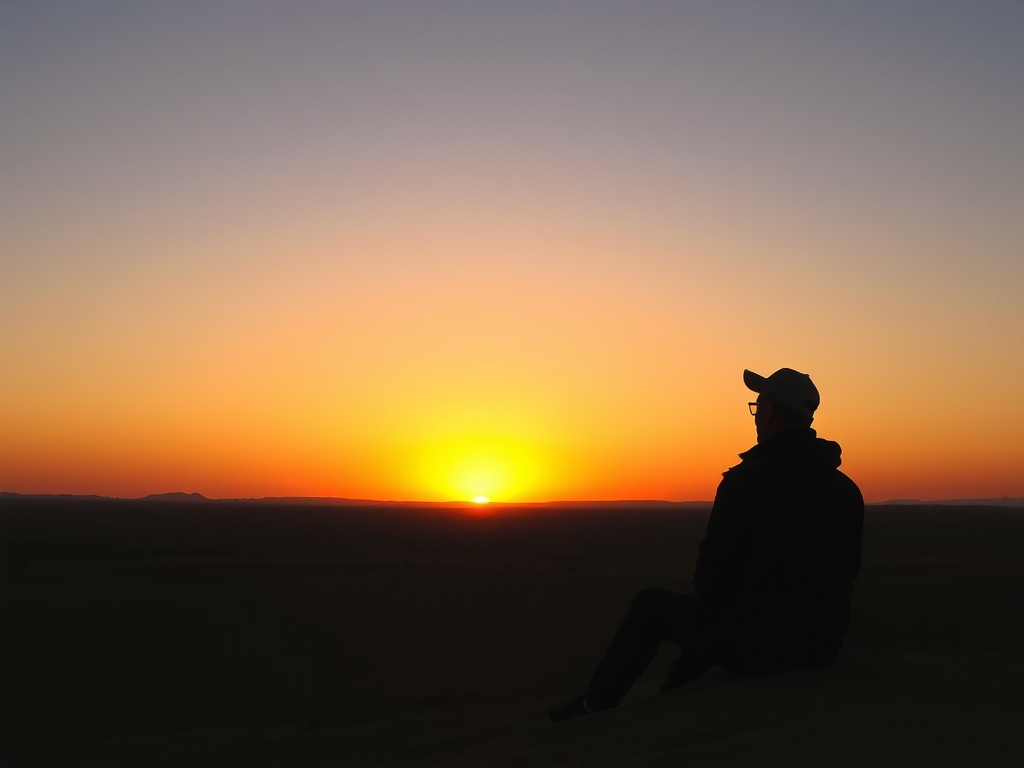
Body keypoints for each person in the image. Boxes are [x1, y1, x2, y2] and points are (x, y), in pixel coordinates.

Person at [549, 367, 864, 721]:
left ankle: (595, 705)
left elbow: (714, 573)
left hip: (762, 649)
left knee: (651, 606)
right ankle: (678, 684)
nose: (756, 412)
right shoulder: (846, 488)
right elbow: (849, 569)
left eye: (758, 404)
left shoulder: (746, 481)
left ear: (770, 411)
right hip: (822, 646)